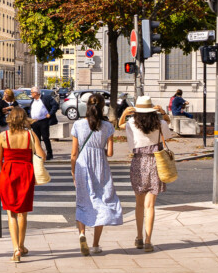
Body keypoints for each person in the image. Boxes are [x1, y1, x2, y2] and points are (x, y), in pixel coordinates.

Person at [70, 93, 122, 255]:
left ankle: (81, 234)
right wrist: (99, 148)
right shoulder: (108, 127)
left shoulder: (78, 125)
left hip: (82, 165)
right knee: (103, 201)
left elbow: (73, 154)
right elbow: (111, 153)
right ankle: (95, 244)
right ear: (102, 107)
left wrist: (73, 172)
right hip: (100, 166)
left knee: (83, 201)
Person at [119, 95, 172, 252]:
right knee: (150, 205)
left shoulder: (131, 124)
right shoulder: (160, 123)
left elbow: (120, 125)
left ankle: (139, 237)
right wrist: (163, 112)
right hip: (156, 162)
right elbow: (168, 125)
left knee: (139, 204)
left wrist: (123, 114)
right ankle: (149, 240)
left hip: (139, 162)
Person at [0, 106, 45, 263]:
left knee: (11, 212)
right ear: (24, 119)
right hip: (26, 172)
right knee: (23, 212)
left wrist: (4, 170)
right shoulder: (30, 135)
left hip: (8, 173)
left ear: (10, 119)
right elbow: (41, 155)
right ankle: (22, 246)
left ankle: (16, 248)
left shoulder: (3, 136)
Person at [29, 87, 55, 161]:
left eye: (31, 92)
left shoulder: (45, 98)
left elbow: (55, 105)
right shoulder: (33, 101)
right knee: (36, 139)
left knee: (45, 138)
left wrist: (50, 114)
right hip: (34, 122)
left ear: (36, 93)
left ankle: (49, 154)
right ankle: (38, 153)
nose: (31, 94)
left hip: (43, 121)